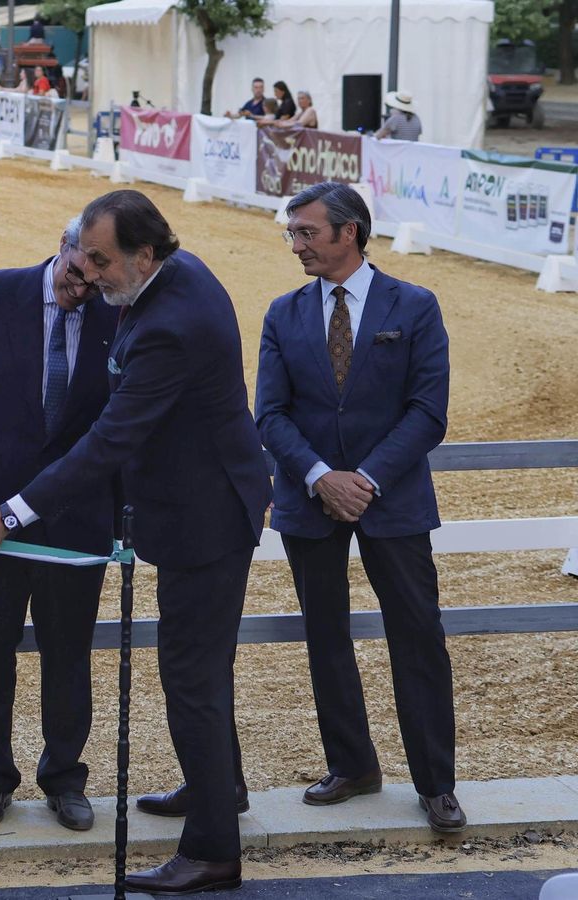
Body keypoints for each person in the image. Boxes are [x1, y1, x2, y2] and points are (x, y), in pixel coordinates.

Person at [0, 190, 271, 896]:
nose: (88, 273)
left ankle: (213, 848)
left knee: (190, 679)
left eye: (101, 259)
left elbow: (109, 442)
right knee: (200, 673)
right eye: (84, 255)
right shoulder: (173, 279)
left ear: (144, 254)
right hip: (199, 507)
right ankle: (222, 789)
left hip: (205, 520)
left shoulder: (170, 324)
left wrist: (5, 517)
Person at [257, 182, 461, 833]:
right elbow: (270, 413)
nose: (297, 246)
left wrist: (364, 480)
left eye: (308, 233)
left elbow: (429, 413)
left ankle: (436, 784)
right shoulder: (282, 313)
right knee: (325, 637)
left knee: (418, 638)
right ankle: (353, 765)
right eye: (293, 233)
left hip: (393, 499)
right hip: (308, 499)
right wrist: (320, 477)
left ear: (350, 232)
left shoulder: (416, 306)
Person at [0, 219, 118, 834]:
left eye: (96, 278)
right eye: (77, 271)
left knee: (69, 655)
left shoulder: (116, 314)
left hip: (76, 521)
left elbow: (119, 421)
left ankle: (64, 777)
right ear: (62, 246)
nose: (83, 286)